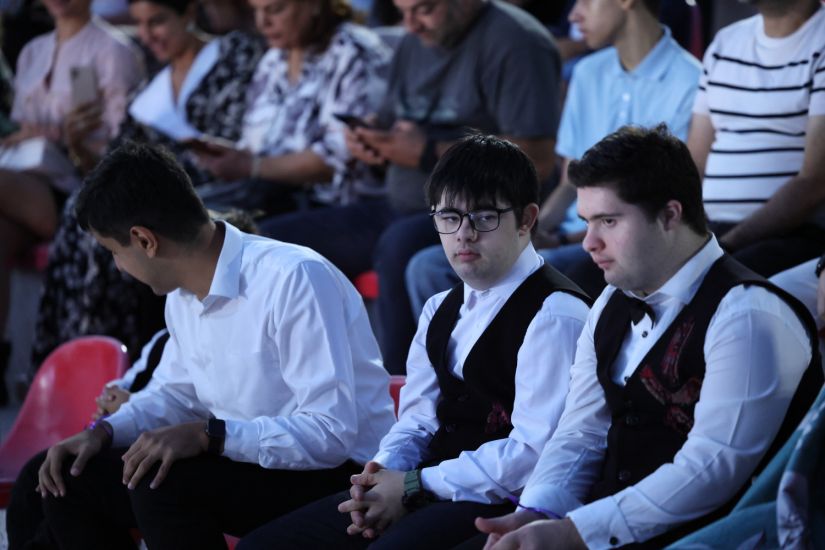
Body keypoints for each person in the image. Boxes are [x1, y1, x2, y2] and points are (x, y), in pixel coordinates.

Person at [15, 142, 396, 548]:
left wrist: (210, 435)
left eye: (114, 252)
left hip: (345, 477)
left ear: (144, 240)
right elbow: (174, 395)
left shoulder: (294, 277)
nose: (118, 267)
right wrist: (103, 432)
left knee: (161, 482)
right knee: (63, 473)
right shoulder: (181, 296)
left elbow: (330, 434)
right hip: (252, 462)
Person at [475, 125, 822, 549]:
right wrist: (537, 512)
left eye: (608, 220)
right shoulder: (611, 301)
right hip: (603, 526)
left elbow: (712, 470)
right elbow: (581, 431)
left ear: (670, 215)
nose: (589, 243)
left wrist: (574, 533)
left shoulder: (749, 314)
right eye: (587, 222)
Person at [237, 135, 590, 550]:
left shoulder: (555, 314)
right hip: (424, 484)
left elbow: (530, 454)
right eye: (449, 217)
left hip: (500, 501)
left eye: (484, 217)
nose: (464, 234)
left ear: (527, 219)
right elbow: (417, 420)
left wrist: (411, 485)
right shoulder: (439, 306)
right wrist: (379, 477)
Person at [260, 0, 561, 374]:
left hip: (476, 216)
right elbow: (390, 119)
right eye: (402, 12)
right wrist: (370, 138)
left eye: (423, 9)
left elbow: (536, 158)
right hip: (396, 204)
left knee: (399, 245)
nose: (410, 24)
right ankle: (290, 378)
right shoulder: (412, 42)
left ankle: (403, 383)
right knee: (271, 242)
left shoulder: (516, 41)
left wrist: (427, 152)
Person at [26, 0, 266, 391]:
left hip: (208, 194)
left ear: (189, 13)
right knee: (83, 213)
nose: (147, 35)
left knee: (124, 227)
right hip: (156, 194)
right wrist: (80, 147)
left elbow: (238, 139)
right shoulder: (153, 77)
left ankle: (120, 371)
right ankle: (70, 368)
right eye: (139, 24)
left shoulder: (234, 55)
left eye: (158, 21)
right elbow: (119, 158)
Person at [406, 0, 701, 314]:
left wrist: (559, 241)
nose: (574, 15)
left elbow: (658, 210)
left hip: (616, 242)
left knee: (537, 271)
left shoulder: (691, 80)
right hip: (565, 235)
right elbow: (569, 182)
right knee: (428, 266)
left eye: (585, 1)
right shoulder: (588, 72)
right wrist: (533, 231)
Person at [0, 0, 142, 403]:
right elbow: (21, 127)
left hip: (78, 184)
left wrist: (66, 138)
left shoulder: (112, 50)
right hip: (25, 184)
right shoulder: (32, 51)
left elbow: (121, 145)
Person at [192, 0, 391, 215]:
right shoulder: (274, 59)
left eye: (275, 10)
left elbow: (339, 158)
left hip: (339, 205)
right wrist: (231, 157)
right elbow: (255, 143)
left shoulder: (353, 50)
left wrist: (251, 166)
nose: (263, 23)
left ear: (314, 5)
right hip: (271, 196)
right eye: (256, 10)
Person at [686, 0, 825, 276]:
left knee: (712, 281)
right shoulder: (725, 42)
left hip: (793, 235)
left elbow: (815, 182)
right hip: (712, 232)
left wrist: (724, 245)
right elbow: (692, 165)